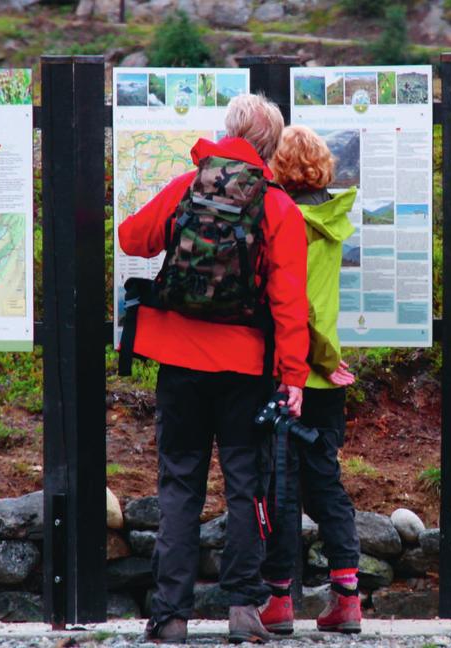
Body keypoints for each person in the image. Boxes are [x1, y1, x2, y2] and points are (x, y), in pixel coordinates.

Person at [117, 94, 310, 644]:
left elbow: (132, 237)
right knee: (246, 486)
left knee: (180, 484)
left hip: (179, 361)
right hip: (246, 369)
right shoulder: (278, 208)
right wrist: (293, 377)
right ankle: (244, 611)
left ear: (228, 132)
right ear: (270, 147)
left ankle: (170, 617)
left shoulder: (188, 186)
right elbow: (290, 305)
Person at [257, 125, 363, 635]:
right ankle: (347, 598)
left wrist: (316, 359)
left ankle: (279, 603)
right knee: (327, 484)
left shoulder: (285, 220)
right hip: (326, 381)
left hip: (296, 370)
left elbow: (302, 305)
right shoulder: (334, 218)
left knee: (279, 489)